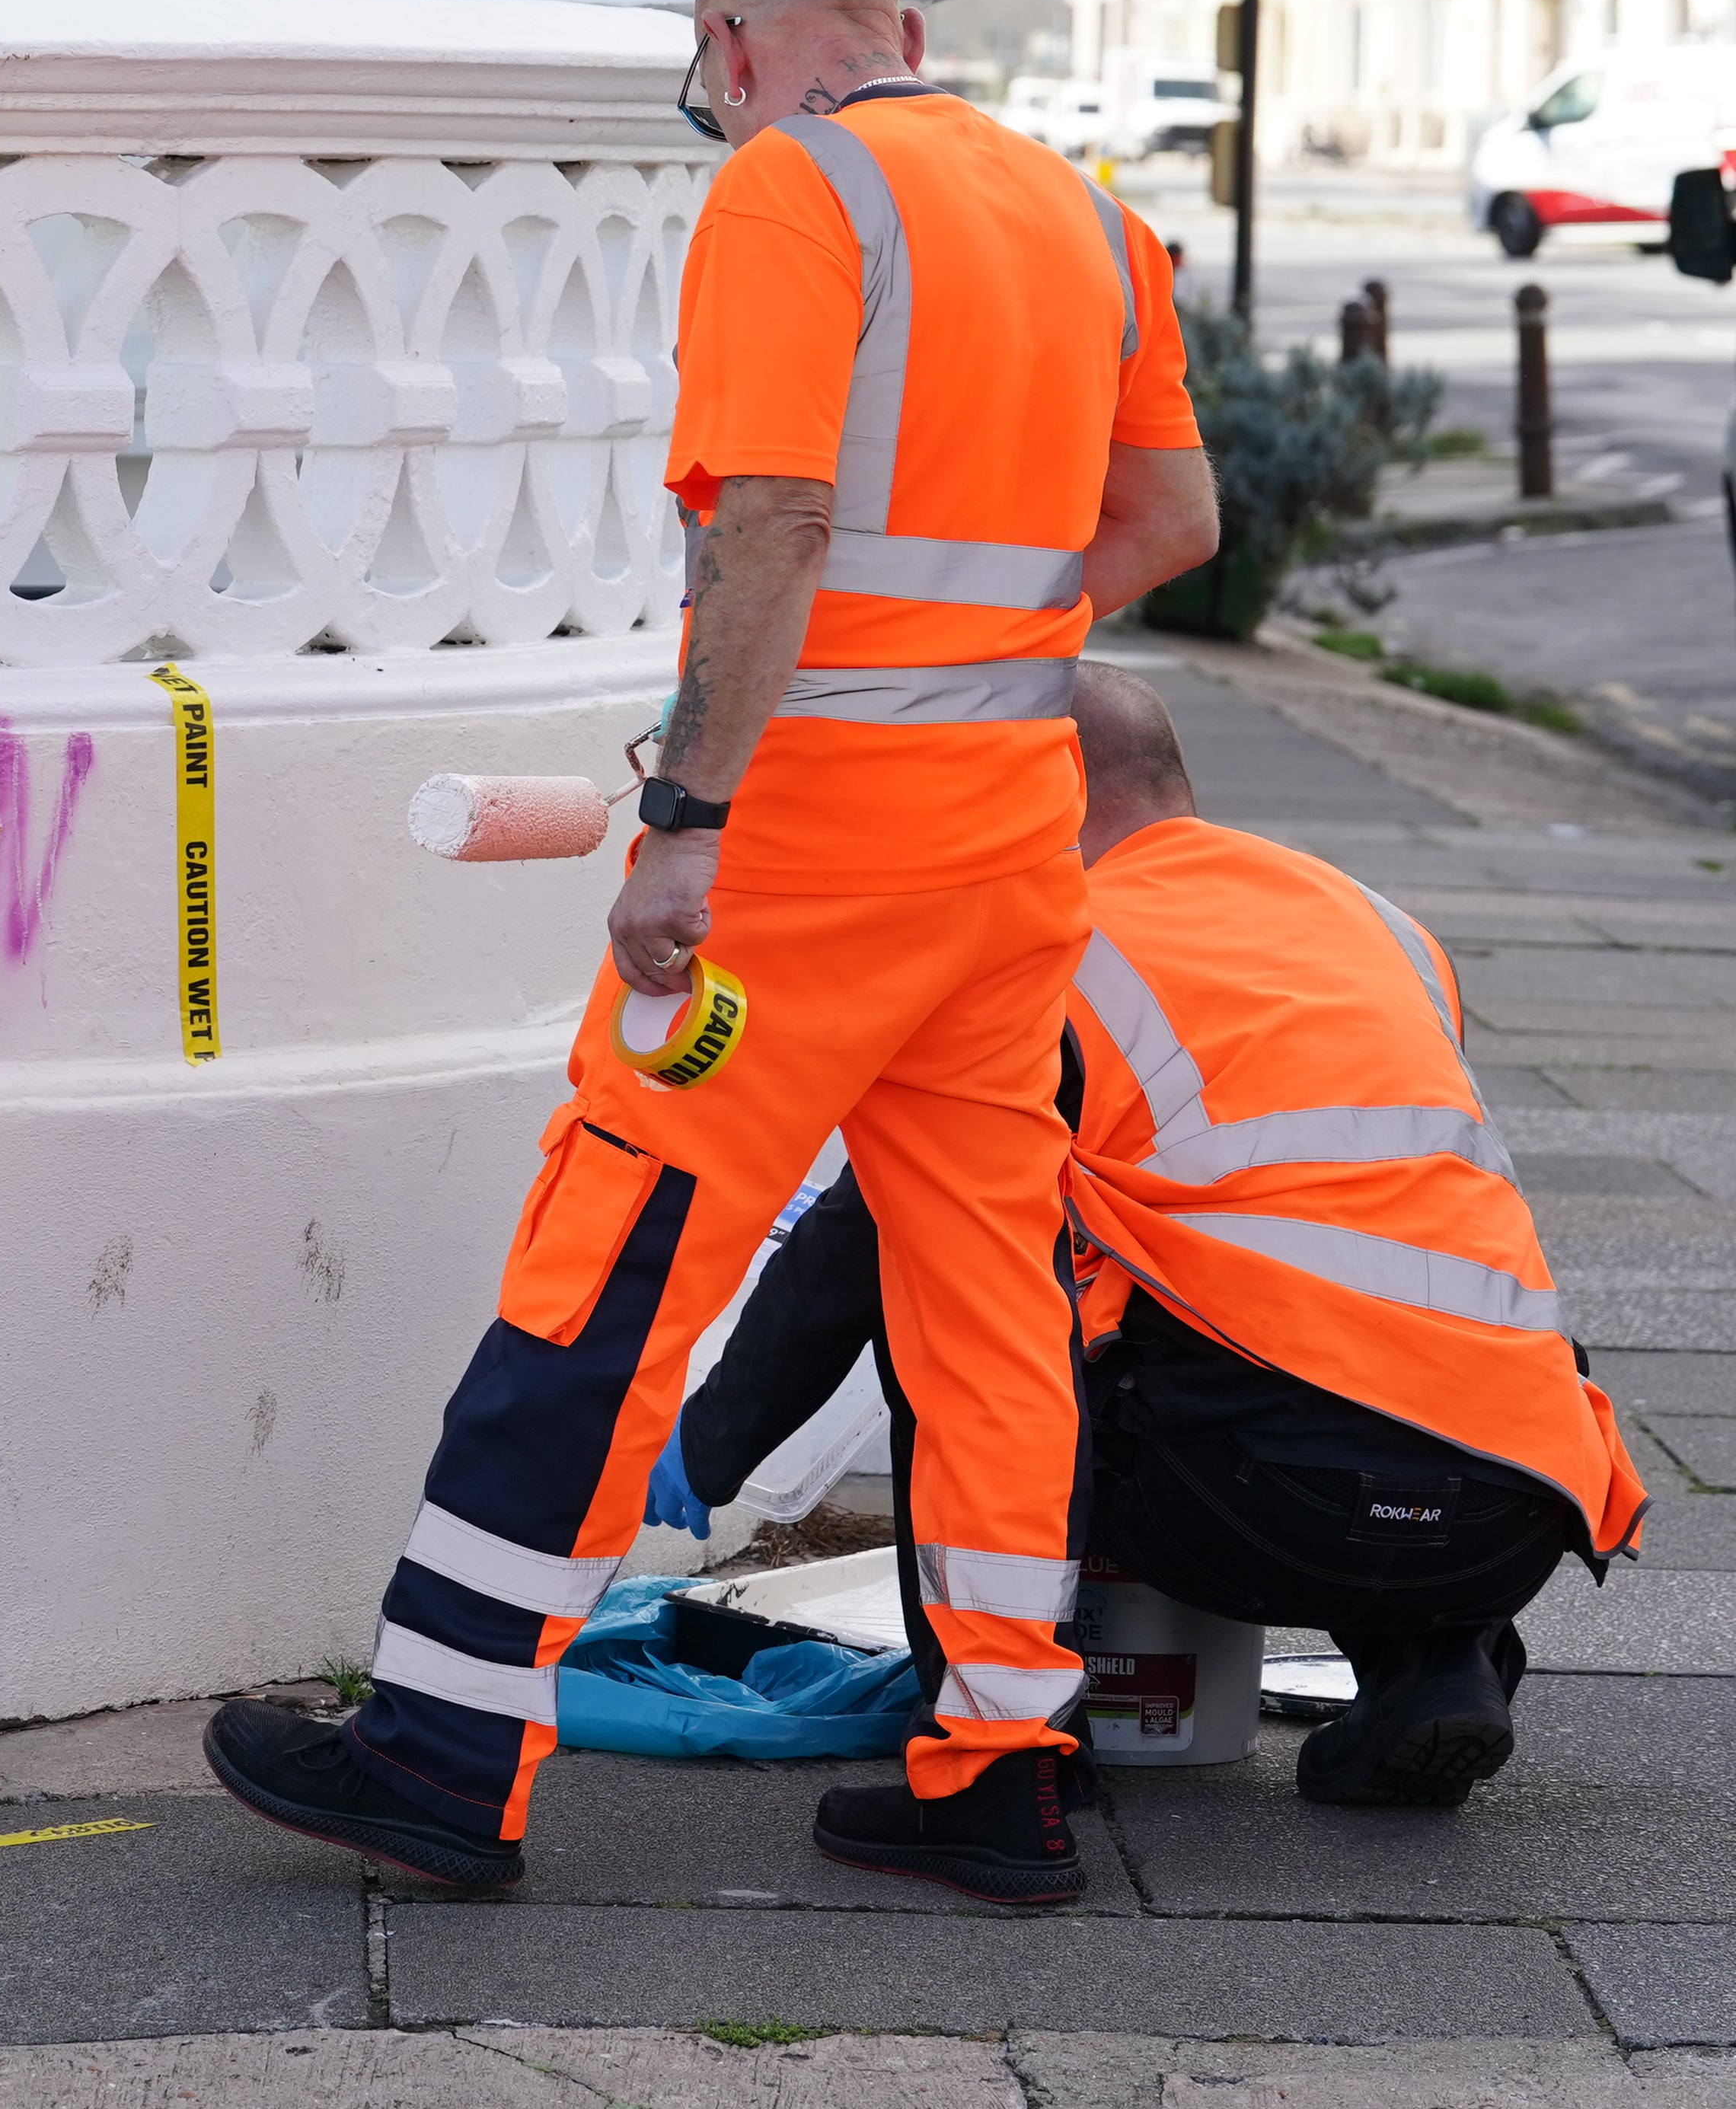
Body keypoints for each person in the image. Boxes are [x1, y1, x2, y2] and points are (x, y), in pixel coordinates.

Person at [203, 0, 1219, 1905]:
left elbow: (772, 528)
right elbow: (1172, 519)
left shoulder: (792, 192)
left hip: (802, 866)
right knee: (988, 1299)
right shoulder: (1092, 221)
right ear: (904, 25)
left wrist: (682, 818)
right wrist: (985, 639)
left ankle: (438, 1739)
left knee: (617, 1251)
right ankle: (997, 1768)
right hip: (1008, 858)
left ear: (737, 50)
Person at [656, 665, 1651, 1808]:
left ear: (1051, 782)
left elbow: (863, 1231)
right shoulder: (1380, 923)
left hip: (1245, 1499)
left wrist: (716, 1439)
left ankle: (1000, 1736)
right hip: (1512, 1507)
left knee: (946, 1286)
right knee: (1361, 1328)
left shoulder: (1041, 952)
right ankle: (1435, 1669)